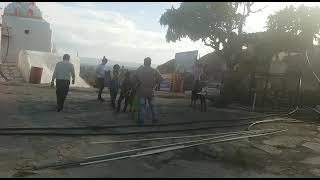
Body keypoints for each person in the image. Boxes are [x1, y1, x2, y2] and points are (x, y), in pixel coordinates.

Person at [135, 57, 163, 125]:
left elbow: (134, 78)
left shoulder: (140, 69)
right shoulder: (154, 70)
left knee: (142, 106)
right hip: (151, 91)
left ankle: (141, 120)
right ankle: (155, 118)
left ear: (144, 62)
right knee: (152, 105)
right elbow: (161, 79)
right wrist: (155, 84)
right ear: (150, 63)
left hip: (142, 91)